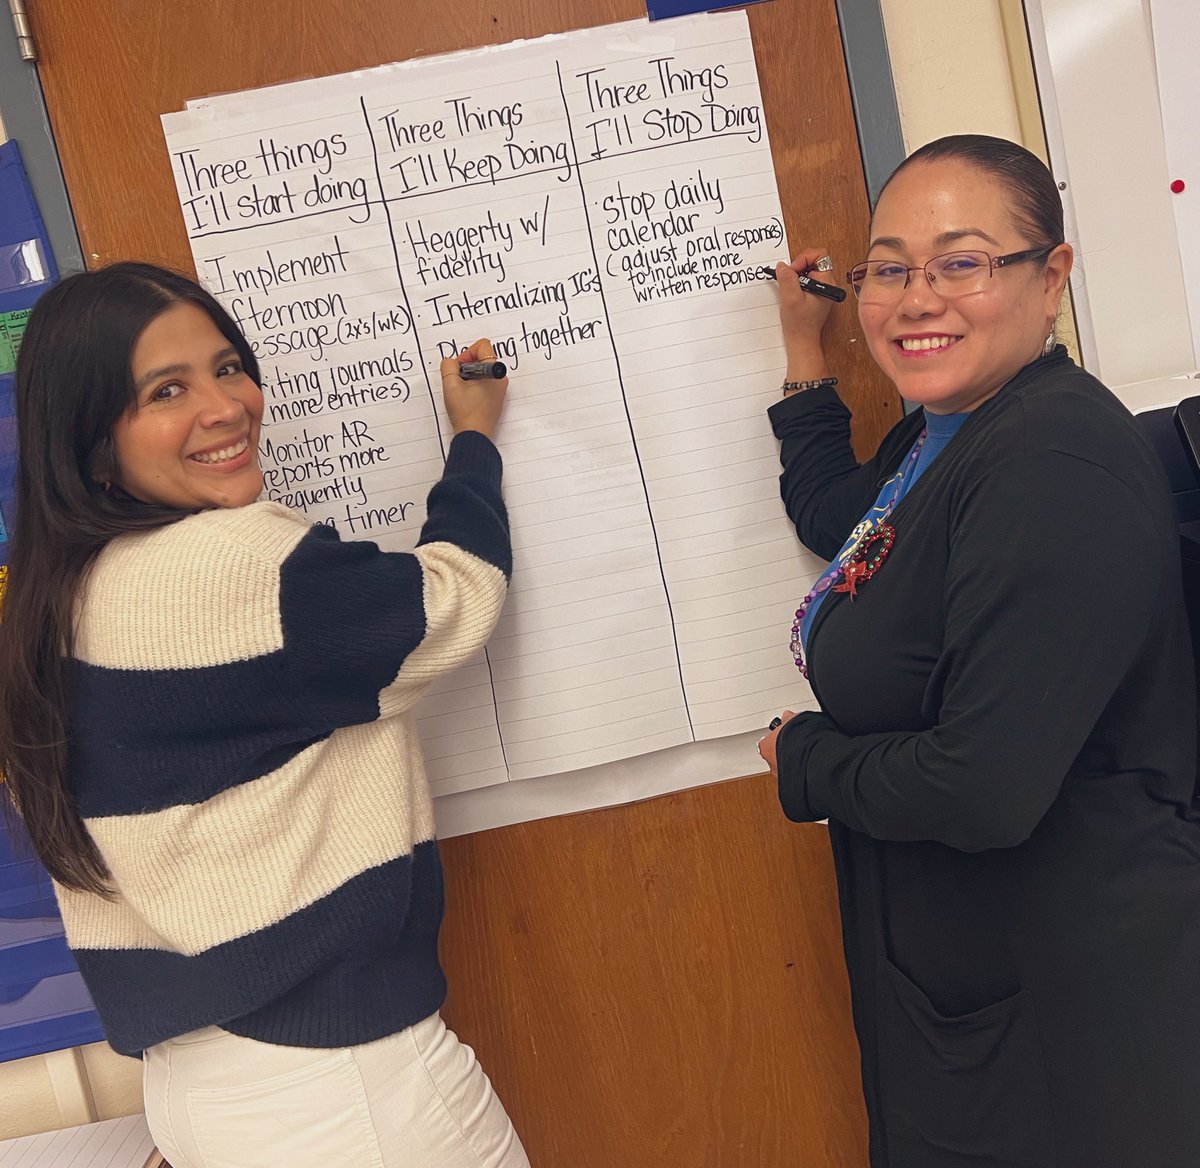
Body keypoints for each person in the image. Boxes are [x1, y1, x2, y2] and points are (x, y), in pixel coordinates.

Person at [0, 262, 531, 1168]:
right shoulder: (230, 566)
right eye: (167, 390)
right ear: (93, 441)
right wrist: (474, 438)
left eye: (227, 365)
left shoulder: (54, 604)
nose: (225, 405)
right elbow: (456, 597)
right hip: (341, 1090)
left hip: (201, 1090)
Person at [757, 135, 1200, 1168]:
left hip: (1075, 1022)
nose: (917, 298)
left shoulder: (1050, 462)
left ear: (1051, 278)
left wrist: (810, 763)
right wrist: (805, 352)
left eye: (961, 262)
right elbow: (845, 521)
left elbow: (985, 787)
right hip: (986, 987)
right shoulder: (943, 433)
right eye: (890, 268)